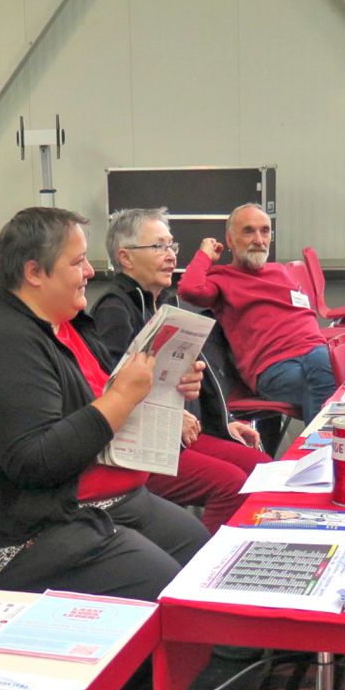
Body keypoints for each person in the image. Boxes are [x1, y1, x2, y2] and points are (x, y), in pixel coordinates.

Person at [0, 206, 209, 690]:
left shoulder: (49, 326)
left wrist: (157, 393)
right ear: (35, 272)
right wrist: (122, 400)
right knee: (157, 581)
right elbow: (35, 460)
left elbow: (85, 410)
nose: (90, 272)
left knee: (192, 550)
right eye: (78, 262)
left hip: (59, 505)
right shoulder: (5, 343)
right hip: (3, 537)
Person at [91, 207, 270, 532]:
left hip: (177, 433)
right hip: (140, 443)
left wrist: (224, 423)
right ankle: (205, 566)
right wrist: (172, 415)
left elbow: (193, 380)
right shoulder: (114, 311)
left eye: (172, 246)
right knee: (230, 483)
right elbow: (105, 391)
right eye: (158, 246)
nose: (171, 255)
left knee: (263, 468)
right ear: (126, 258)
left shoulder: (167, 303)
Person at [177, 204, 335, 422]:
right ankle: (327, 449)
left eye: (265, 231)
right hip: (273, 368)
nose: (259, 240)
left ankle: (319, 449)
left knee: (330, 373)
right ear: (230, 240)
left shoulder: (280, 271)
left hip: (314, 353)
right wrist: (204, 255)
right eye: (248, 231)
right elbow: (189, 289)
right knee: (331, 383)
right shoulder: (222, 279)